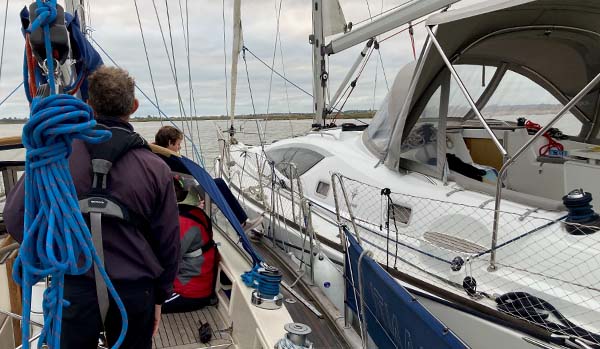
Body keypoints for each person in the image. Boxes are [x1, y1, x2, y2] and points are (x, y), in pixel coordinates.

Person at [4, 66, 180, 349]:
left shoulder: (55, 158)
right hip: (134, 293)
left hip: (73, 289)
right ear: (133, 107)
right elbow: (169, 242)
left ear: (89, 105)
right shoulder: (156, 169)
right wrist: (160, 296)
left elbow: (15, 219)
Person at [154, 126, 262, 232]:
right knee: (219, 184)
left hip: (179, 194)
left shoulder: (157, 155)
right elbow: (190, 175)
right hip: (183, 198)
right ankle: (242, 223)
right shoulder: (170, 159)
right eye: (178, 144)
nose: (179, 147)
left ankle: (242, 222)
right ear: (169, 143)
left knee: (217, 184)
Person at [162, 176, 218, 313]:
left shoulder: (181, 223)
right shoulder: (195, 213)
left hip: (189, 292)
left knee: (141, 306)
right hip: (197, 283)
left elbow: (164, 260)